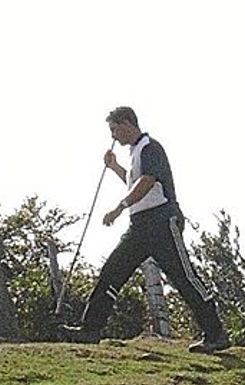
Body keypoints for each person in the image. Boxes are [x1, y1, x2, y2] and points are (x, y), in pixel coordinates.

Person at [64, 106, 230, 354]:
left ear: (127, 124)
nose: (113, 136)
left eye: (114, 129)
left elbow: (146, 182)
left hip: (162, 222)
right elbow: (134, 182)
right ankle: (90, 329)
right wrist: (116, 168)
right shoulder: (134, 153)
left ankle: (216, 334)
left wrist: (120, 207)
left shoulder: (150, 147)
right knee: (112, 271)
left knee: (184, 279)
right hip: (140, 225)